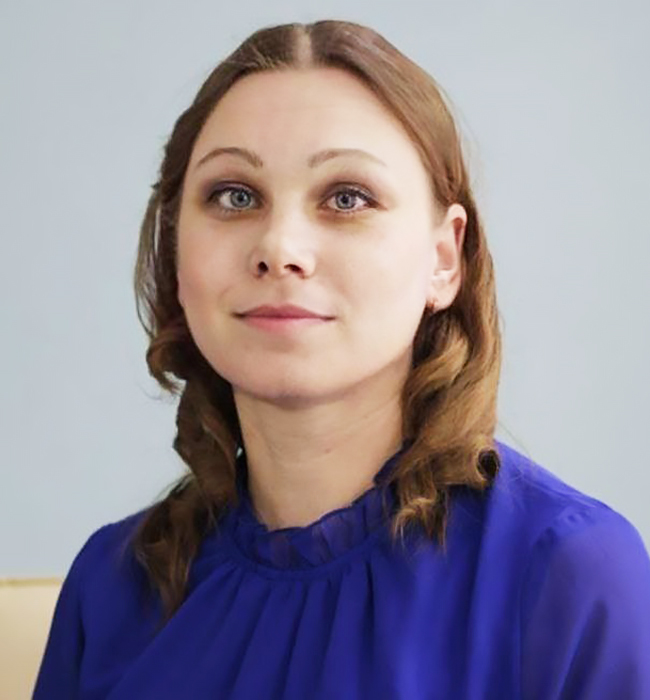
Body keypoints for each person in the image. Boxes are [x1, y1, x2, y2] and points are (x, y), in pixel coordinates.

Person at [33, 19, 650, 699]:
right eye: (235, 196)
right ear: (177, 256)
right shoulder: (110, 587)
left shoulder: (571, 575)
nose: (279, 248)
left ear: (444, 259)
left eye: (347, 198)